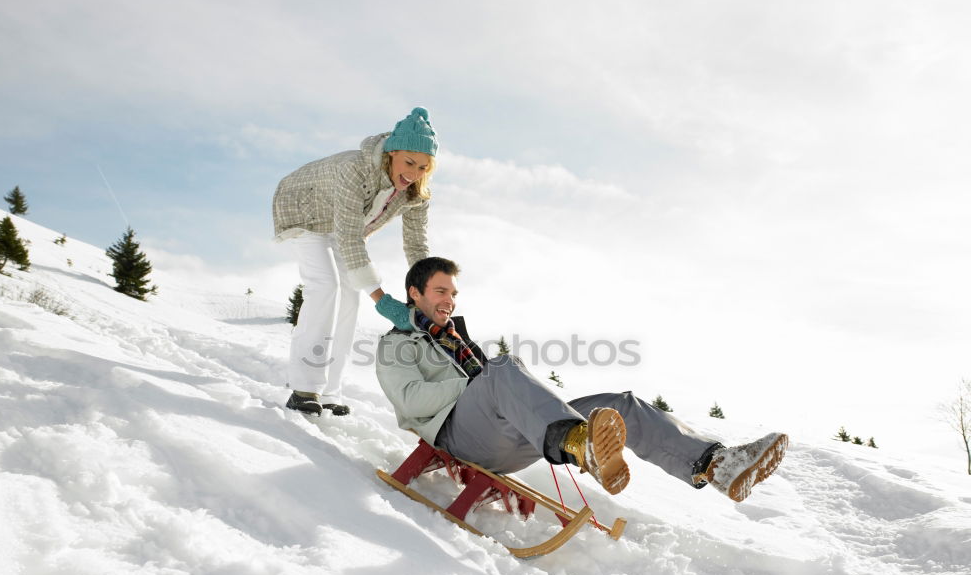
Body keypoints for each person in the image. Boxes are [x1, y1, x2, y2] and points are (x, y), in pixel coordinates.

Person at [375, 257, 789, 502]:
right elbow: (411, 400)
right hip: (456, 440)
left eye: (454, 294)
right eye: (441, 292)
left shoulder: (457, 341)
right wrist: (477, 383)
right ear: (414, 293)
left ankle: (717, 465)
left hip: (508, 438)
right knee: (501, 368)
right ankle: (577, 442)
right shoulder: (397, 344)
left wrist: (487, 383)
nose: (449, 300)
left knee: (618, 405)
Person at [272, 107, 439, 417]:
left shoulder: (415, 194)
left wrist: (428, 293)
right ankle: (304, 387)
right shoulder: (356, 168)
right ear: (391, 154)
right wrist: (384, 302)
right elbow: (350, 239)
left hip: (346, 225)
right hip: (303, 209)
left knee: (350, 295)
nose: (414, 173)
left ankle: (330, 390)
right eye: (409, 162)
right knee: (326, 285)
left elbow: (416, 246)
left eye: (423, 167)